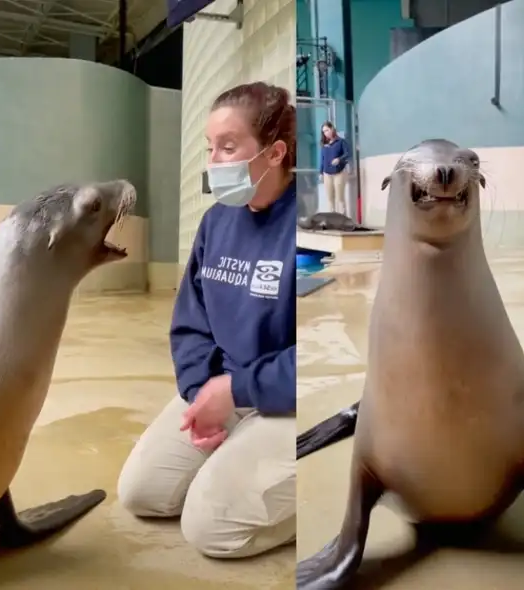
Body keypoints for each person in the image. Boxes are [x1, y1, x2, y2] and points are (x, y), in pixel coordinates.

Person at [117, 81, 297, 559]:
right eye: (210, 148)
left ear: (275, 152)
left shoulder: (307, 225)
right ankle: (239, 449)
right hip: (222, 390)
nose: (214, 162)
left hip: (290, 402)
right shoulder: (217, 221)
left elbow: (323, 354)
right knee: (142, 492)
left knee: (211, 527)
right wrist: (202, 391)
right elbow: (190, 323)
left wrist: (238, 391)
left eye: (228, 146)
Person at [319, 121, 351, 215]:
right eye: (324, 132)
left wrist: (339, 159)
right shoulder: (324, 145)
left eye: (327, 130)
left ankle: (342, 218)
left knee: (339, 197)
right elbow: (322, 159)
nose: (325, 133)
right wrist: (321, 172)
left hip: (339, 172)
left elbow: (348, 153)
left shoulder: (341, 142)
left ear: (332, 129)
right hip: (327, 173)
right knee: (330, 198)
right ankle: (331, 219)